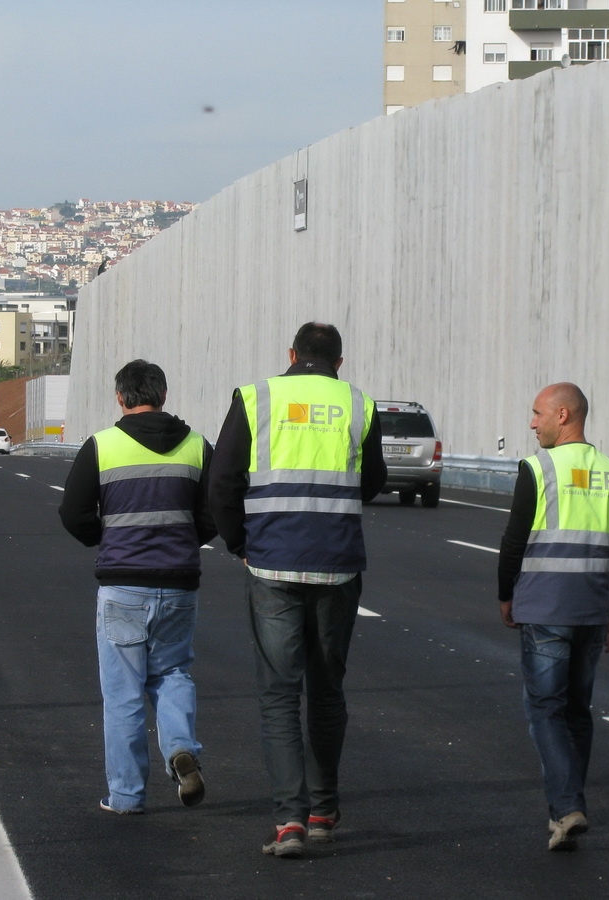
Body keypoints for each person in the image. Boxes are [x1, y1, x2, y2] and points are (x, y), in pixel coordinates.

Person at [209, 322, 386, 859]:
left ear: (291, 354)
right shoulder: (360, 404)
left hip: (272, 565)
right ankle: (324, 809)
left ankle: (289, 820)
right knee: (327, 689)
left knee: (280, 695)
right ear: (339, 360)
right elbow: (373, 479)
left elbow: (222, 481)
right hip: (336, 565)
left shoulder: (257, 397)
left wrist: (242, 541)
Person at [59, 359, 216, 815]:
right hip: (180, 584)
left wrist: (103, 540)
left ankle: (127, 796)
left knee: (123, 693)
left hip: (123, 586)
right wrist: (187, 540)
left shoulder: (102, 446)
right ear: (163, 395)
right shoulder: (196, 447)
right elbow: (214, 512)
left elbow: (73, 513)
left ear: (121, 396)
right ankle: (181, 747)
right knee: (173, 673)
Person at [497, 382, 609, 851]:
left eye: (537, 413)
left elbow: (514, 541)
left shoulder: (538, 469)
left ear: (563, 415)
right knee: (577, 710)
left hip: (544, 607)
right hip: (593, 610)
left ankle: (565, 806)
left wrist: (505, 595)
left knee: (545, 708)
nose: (532, 422)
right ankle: (568, 809)